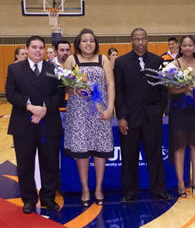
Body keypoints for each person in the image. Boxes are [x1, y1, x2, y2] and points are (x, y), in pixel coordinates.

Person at [5, 36, 64, 214]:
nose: (38, 50)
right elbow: (10, 93)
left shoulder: (53, 69)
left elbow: (59, 94)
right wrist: (30, 107)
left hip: (49, 123)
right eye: (34, 47)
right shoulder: (14, 69)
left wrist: (44, 108)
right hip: (23, 124)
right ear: (27, 48)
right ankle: (29, 199)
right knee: (25, 165)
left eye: (41, 47)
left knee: (50, 163)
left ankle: (48, 198)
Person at [114, 28, 171, 202]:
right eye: (136, 39)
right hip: (130, 119)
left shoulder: (158, 60)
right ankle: (130, 192)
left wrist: (159, 110)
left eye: (143, 39)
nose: (140, 42)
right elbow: (119, 92)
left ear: (147, 40)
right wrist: (121, 117)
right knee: (129, 157)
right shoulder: (122, 62)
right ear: (131, 41)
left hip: (152, 118)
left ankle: (159, 190)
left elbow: (163, 89)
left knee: (155, 156)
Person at [64, 28, 115, 206]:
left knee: (100, 151)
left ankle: (99, 189)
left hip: (100, 110)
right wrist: (75, 89)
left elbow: (110, 84)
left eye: (91, 41)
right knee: (82, 152)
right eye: (85, 40)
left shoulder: (104, 59)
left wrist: (109, 108)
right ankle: (85, 189)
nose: (88, 43)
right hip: (79, 112)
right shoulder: (72, 60)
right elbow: (66, 87)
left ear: (96, 43)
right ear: (78, 43)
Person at [168, 35, 195, 197]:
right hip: (180, 111)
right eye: (184, 45)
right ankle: (180, 184)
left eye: (190, 45)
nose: (187, 48)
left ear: (194, 47)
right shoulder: (174, 65)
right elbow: (170, 90)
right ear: (180, 47)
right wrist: (185, 90)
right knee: (179, 147)